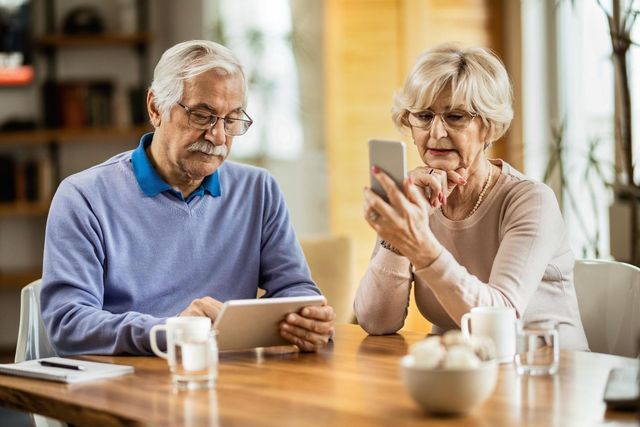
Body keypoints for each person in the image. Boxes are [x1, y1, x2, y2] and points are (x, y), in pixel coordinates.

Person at [41, 40, 335, 356]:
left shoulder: (259, 189)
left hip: (233, 381)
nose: (219, 136)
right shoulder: (83, 197)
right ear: (155, 108)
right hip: (130, 384)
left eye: (232, 119)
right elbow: (67, 324)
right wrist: (171, 332)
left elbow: (295, 288)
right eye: (201, 115)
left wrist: (309, 319)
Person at [355, 44, 588, 350]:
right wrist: (396, 238)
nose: (436, 132)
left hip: (549, 373)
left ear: (489, 127)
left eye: (455, 116)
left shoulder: (531, 201)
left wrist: (422, 248)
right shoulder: (414, 198)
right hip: (463, 375)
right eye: (424, 116)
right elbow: (376, 321)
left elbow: (498, 324)